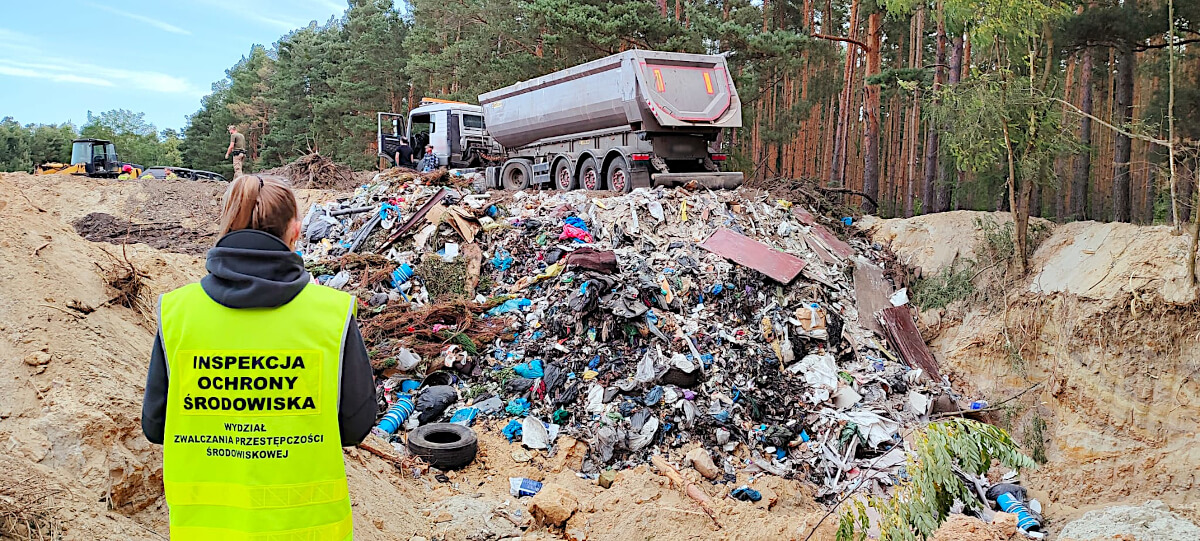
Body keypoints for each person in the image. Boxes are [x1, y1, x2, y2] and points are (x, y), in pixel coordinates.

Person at [141, 175, 376, 540]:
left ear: (226, 226)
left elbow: (156, 427)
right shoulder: (332, 313)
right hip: (309, 531)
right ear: (295, 231)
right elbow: (355, 426)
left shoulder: (177, 311)